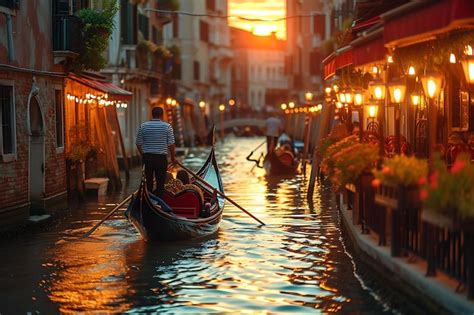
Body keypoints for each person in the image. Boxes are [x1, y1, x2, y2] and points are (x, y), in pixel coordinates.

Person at [136, 107, 176, 197]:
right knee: (160, 183)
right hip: (161, 159)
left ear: (152, 115)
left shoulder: (143, 126)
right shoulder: (167, 127)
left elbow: (138, 143)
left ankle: (149, 198)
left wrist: (143, 154)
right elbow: (171, 145)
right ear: (162, 115)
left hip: (148, 157)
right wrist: (173, 158)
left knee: (148, 181)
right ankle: (159, 202)